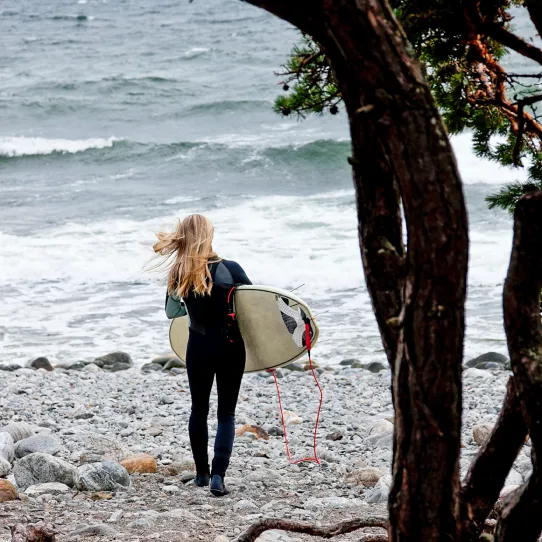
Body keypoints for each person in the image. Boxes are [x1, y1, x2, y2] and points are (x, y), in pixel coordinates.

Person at [153, 214, 251, 497]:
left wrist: (189, 308)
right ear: (209, 235)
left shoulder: (178, 273)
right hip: (231, 347)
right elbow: (254, 309)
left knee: (199, 409)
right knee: (226, 414)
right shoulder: (231, 269)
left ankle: (200, 474)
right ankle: (218, 477)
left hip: (198, 347)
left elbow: (173, 313)